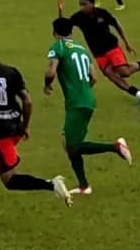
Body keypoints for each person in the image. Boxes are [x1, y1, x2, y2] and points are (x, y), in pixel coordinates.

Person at [0, 34, 73, 227]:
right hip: (15, 126)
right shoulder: (12, 71)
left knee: (10, 180)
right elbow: (27, 101)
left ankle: (52, 184)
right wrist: (25, 125)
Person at [44, 17, 133, 195]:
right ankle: (84, 186)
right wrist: (83, 89)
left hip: (77, 103)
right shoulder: (82, 49)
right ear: (71, 31)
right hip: (87, 99)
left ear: (54, 32)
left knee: (73, 145)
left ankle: (116, 147)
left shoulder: (57, 47)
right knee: (68, 144)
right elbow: (93, 77)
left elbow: (51, 70)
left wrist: (47, 84)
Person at [60, 0, 140, 106]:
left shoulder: (102, 14)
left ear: (92, 4)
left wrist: (127, 43)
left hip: (112, 47)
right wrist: (60, 11)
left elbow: (116, 25)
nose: (82, 7)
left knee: (124, 72)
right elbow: (63, 27)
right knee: (112, 76)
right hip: (98, 54)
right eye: (80, 5)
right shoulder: (78, 17)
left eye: (84, 4)